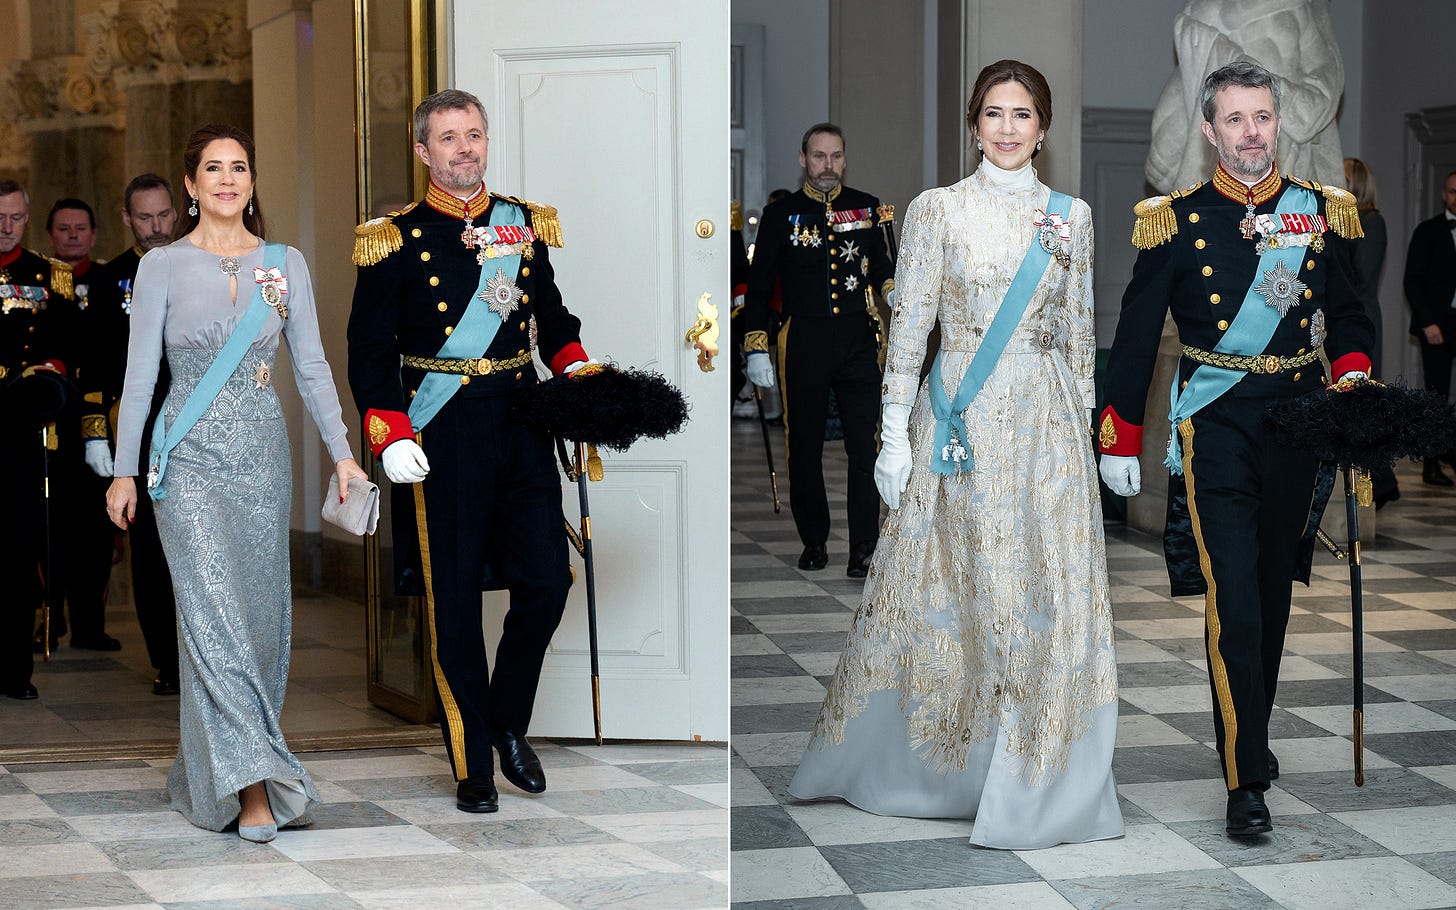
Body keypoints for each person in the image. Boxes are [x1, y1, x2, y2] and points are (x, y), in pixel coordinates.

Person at [789, 60, 1121, 850]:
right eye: (995, 114)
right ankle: (957, 765)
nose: (1008, 129)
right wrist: (893, 427)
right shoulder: (938, 211)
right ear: (973, 124)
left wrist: (1089, 440)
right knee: (963, 593)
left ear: (1043, 127)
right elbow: (909, 325)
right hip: (958, 426)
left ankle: (1036, 774)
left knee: (1042, 595)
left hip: (1043, 431)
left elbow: (1078, 335)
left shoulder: (1069, 217)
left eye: (1024, 115)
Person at [1099, 62, 1373, 837]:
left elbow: (1351, 318)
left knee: (1274, 593)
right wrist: (1118, 429)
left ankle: (1249, 729)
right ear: (1211, 129)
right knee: (1234, 599)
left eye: (1262, 118)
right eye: (1236, 119)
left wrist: (1352, 382)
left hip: (1297, 418)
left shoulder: (1321, 214)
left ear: (1276, 124)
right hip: (1214, 421)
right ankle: (1244, 777)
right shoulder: (1175, 220)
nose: (1251, 132)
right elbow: (1134, 334)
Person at [105, 125, 367, 842]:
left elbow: (311, 367)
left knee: (256, 622)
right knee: (211, 613)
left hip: (260, 456)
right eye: (212, 169)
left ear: (252, 182)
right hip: (184, 459)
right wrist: (124, 469)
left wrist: (343, 454)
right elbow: (137, 378)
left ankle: (205, 772)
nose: (227, 179)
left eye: (240, 168)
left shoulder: (285, 264)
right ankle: (254, 790)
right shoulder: (161, 266)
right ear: (189, 185)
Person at [347, 89, 592, 815]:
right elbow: (369, 352)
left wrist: (578, 371)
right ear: (423, 152)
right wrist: (388, 433)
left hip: (521, 418)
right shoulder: (391, 237)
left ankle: (507, 721)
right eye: (449, 138)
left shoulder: (522, 224)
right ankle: (472, 759)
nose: (465, 149)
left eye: (474, 135)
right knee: (454, 597)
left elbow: (552, 319)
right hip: (442, 427)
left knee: (547, 582)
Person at [740, 124, 895, 577]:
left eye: (836, 156)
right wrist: (756, 346)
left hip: (858, 341)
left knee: (864, 448)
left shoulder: (867, 207)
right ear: (803, 158)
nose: (828, 165)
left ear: (845, 159)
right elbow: (759, 287)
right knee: (802, 446)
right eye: (819, 156)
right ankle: (814, 540)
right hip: (802, 341)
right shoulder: (781, 215)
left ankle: (864, 546)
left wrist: (896, 293)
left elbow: (883, 268)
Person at [82, 174, 181, 691]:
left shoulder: (197, 262)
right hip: (139, 429)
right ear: (126, 218)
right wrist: (97, 432)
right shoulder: (111, 279)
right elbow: (96, 362)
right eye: (145, 217)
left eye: (164, 214)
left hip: (194, 420)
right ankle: (168, 660)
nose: (157, 226)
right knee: (149, 548)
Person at [0, 179, 77, 700]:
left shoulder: (50, 276)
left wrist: (48, 373)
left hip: (18, 430)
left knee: (17, 547)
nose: (6, 227)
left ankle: (13, 668)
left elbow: (70, 346)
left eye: (16, 218)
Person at [1147, 0, 1346, 193]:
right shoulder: (1202, 16)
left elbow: (1322, 88)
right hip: (1225, 185)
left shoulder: (1298, 8)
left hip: (1288, 164)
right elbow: (1162, 164)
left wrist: (1290, 103)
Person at [45, 197, 122, 653]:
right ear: (51, 235)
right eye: (63, 229)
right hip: (51, 418)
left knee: (97, 529)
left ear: (94, 235)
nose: (72, 236)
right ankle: (48, 620)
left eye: (80, 229)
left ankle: (90, 625)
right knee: (50, 526)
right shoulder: (42, 281)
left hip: (100, 421)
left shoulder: (109, 281)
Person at [1343, 158, 1398, 506]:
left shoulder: (1372, 222)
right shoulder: (1346, 221)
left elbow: (1361, 276)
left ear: (1356, 184)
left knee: (1364, 401)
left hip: (1362, 318)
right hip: (1350, 316)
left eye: (1342, 177)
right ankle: (1384, 482)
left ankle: (1382, 483)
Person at [1402, 169, 1456, 485]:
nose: (1455, 197)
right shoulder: (1428, 231)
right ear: (1443, 195)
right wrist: (1427, 322)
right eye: (1451, 191)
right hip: (1437, 324)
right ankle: (1431, 464)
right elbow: (1413, 281)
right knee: (1434, 395)